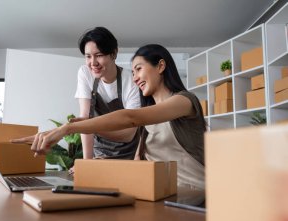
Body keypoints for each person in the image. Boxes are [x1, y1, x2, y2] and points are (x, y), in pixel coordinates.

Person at [25, 44, 206, 190]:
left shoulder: (184, 101)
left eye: (138, 69)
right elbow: (137, 164)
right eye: (133, 73)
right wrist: (97, 166)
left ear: (160, 66)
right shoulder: (147, 120)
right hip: (161, 193)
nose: (135, 78)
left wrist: (67, 129)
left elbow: (130, 118)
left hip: (192, 194)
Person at [71, 27, 141, 160]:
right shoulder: (85, 73)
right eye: (88, 56)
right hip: (100, 154)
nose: (93, 63)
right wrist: (87, 162)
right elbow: (85, 116)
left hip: (129, 155)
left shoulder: (131, 80)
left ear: (114, 54)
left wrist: (89, 126)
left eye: (99, 55)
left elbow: (129, 133)